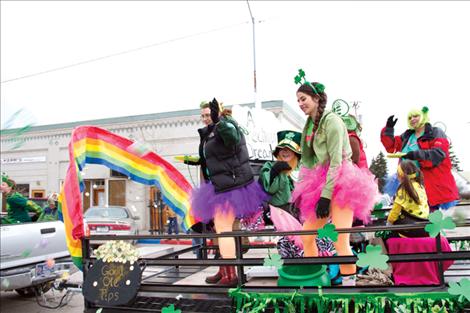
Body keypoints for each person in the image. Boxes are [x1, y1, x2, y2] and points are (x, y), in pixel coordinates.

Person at [291, 70, 379, 286]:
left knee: (341, 239)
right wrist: (299, 194)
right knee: (307, 235)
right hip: (322, 182)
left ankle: (349, 287)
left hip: (343, 181)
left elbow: (337, 162)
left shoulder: (333, 121)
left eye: (303, 99)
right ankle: (315, 281)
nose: (300, 103)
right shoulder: (310, 125)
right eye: (298, 100)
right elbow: (308, 163)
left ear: (316, 99)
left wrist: (326, 197)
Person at [190, 98, 268, 286]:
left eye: (208, 115)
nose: (205, 119)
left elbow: (232, 138)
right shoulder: (210, 132)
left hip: (230, 188)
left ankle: (231, 274)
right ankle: (225, 269)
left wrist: (219, 122)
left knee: (225, 230)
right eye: (203, 116)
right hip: (218, 186)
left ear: (219, 113)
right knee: (219, 230)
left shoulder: (227, 125)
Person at [381, 107, 459, 212]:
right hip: (409, 184)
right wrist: (389, 129)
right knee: (411, 219)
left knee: (431, 221)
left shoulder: (435, 132)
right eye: (410, 117)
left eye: (415, 116)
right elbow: (391, 146)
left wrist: (415, 155)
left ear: (423, 116)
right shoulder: (407, 136)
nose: (412, 119)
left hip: (431, 185)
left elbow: (438, 154)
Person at [258, 130, 303, 258]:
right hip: (281, 211)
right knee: (290, 241)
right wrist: (275, 171)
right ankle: (290, 266)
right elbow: (270, 189)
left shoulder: (304, 168)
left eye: (289, 148)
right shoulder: (269, 166)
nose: (285, 151)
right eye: (282, 148)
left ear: (296, 152)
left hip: (302, 212)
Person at [387, 160, 429, 238]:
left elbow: (395, 211)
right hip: (425, 227)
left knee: (388, 235)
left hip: (409, 229)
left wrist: (389, 222)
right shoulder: (421, 187)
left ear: (400, 175)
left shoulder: (402, 190)